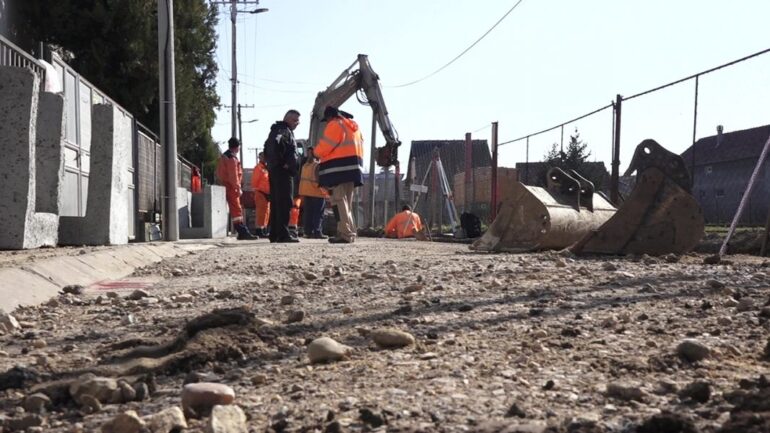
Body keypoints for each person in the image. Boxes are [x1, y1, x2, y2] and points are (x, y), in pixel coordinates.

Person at [313, 106, 364, 244]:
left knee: (338, 201)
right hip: (353, 169)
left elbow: (325, 146)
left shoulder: (335, 125)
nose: (327, 122)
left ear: (330, 116)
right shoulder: (354, 128)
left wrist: (315, 152)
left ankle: (345, 234)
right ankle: (350, 231)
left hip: (338, 170)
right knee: (346, 202)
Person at [264, 109, 301, 243]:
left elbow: (267, 148)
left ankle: (275, 233)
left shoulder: (277, 130)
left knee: (277, 202)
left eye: (298, 121)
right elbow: (275, 147)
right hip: (282, 173)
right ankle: (283, 234)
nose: (297, 123)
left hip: (276, 171)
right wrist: (284, 164)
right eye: (295, 120)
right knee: (284, 202)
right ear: (288, 119)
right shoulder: (283, 131)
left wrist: (274, 164)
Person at [216, 137, 258, 240]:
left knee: (236, 211)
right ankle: (242, 232)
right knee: (237, 210)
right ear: (237, 147)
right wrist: (237, 187)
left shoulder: (225, 156)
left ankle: (242, 231)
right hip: (231, 187)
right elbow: (233, 175)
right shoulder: (232, 158)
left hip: (226, 185)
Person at [298, 147, 329, 239]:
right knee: (318, 214)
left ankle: (308, 232)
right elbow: (319, 179)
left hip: (306, 192)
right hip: (317, 192)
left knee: (308, 213)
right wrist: (327, 189)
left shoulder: (305, 166)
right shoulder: (317, 165)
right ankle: (317, 232)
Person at [250, 152, 270, 237]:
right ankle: (259, 230)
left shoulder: (266, 168)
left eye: (265, 156)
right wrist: (255, 190)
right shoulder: (258, 168)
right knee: (260, 212)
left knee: (266, 212)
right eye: (262, 157)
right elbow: (254, 181)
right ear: (259, 158)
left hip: (267, 193)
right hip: (260, 192)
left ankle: (263, 229)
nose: (264, 158)